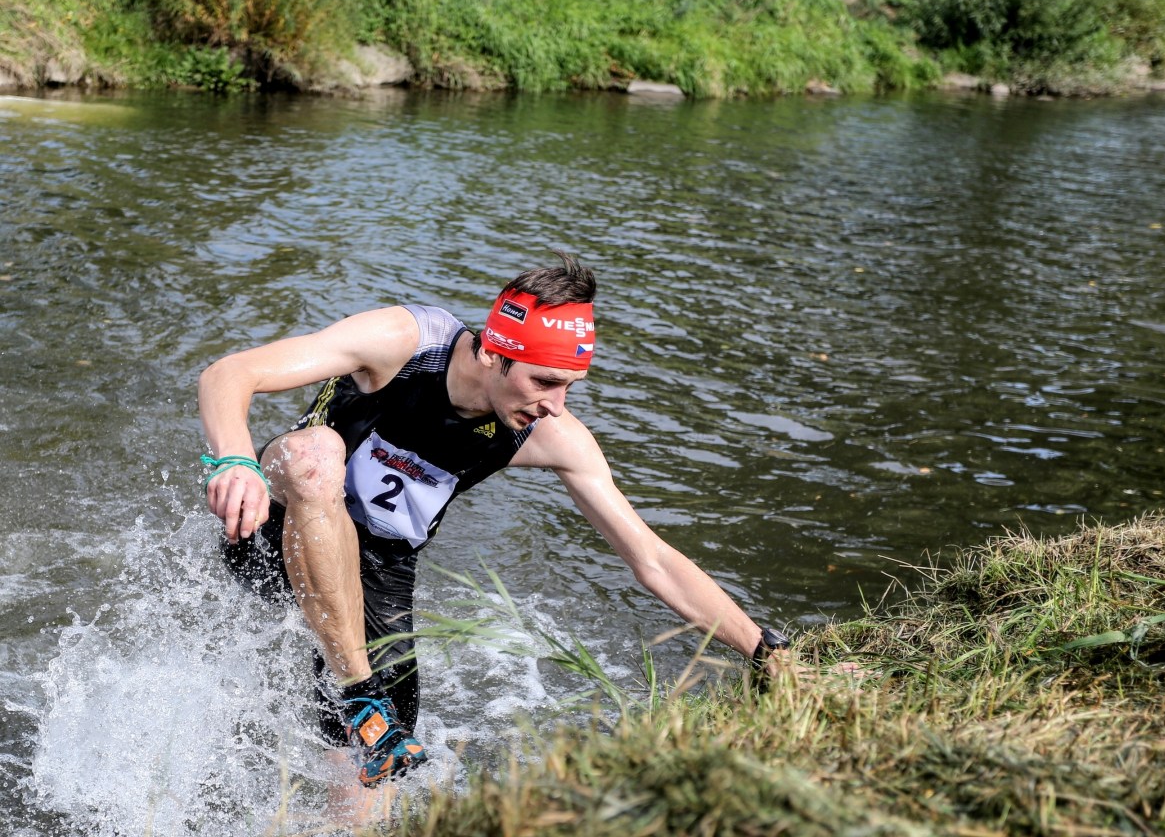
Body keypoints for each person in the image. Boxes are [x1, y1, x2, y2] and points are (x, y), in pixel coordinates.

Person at [198, 251, 792, 791]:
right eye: (544, 381)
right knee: (315, 455)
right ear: (492, 352)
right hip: (274, 527)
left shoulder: (549, 433)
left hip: (376, 571)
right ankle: (359, 692)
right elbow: (229, 373)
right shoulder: (402, 340)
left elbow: (653, 559)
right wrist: (234, 460)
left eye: (570, 387)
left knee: (363, 785)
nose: (554, 405)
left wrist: (766, 652)